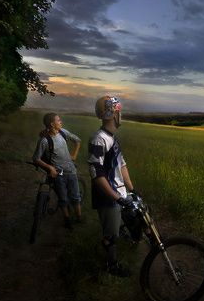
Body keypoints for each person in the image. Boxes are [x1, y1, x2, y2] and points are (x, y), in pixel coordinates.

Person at [87, 95, 137, 277]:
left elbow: (121, 164)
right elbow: (96, 174)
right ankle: (112, 265)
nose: (120, 115)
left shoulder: (112, 138)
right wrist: (117, 198)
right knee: (110, 236)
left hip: (119, 194)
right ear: (111, 115)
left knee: (131, 220)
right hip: (109, 198)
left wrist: (132, 189)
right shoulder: (98, 139)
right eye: (118, 112)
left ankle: (127, 237)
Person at [32, 112, 82, 229]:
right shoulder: (44, 141)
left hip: (71, 171)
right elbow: (36, 158)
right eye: (58, 120)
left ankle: (79, 217)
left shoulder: (63, 132)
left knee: (75, 197)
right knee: (63, 199)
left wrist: (74, 155)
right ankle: (67, 220)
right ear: (52, 124)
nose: (61, 122)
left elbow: (77, 140)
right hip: (58, 174)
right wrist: (49, 167)